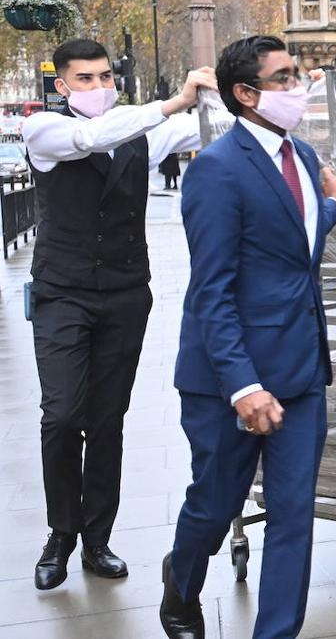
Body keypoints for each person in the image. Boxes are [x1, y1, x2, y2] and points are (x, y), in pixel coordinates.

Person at [160, 36, 336, 639]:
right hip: (228, 380)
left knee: (293, 516)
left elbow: (294, 250)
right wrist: (243, 385)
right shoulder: (216, 170)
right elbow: (210, 290)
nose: (299, 88)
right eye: (284, 78)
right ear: (246, 95)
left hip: (300, 370)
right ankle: (180, 582)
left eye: (296, 75)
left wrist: (332, 209)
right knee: (215, 507)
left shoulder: (301, 153)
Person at [23, 38, 220, 591]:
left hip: (126, 292)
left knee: (106, 420)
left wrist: (221, 91)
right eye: (84, 79)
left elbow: (211, 129)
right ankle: (60, 533)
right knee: (61, 415)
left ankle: (96, 537)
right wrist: (172, 101)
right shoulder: (45, 130)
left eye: (106, 77)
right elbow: (90, 137)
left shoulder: (140, 134)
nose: (99, 87)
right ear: (62, 86)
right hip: (62, 291)